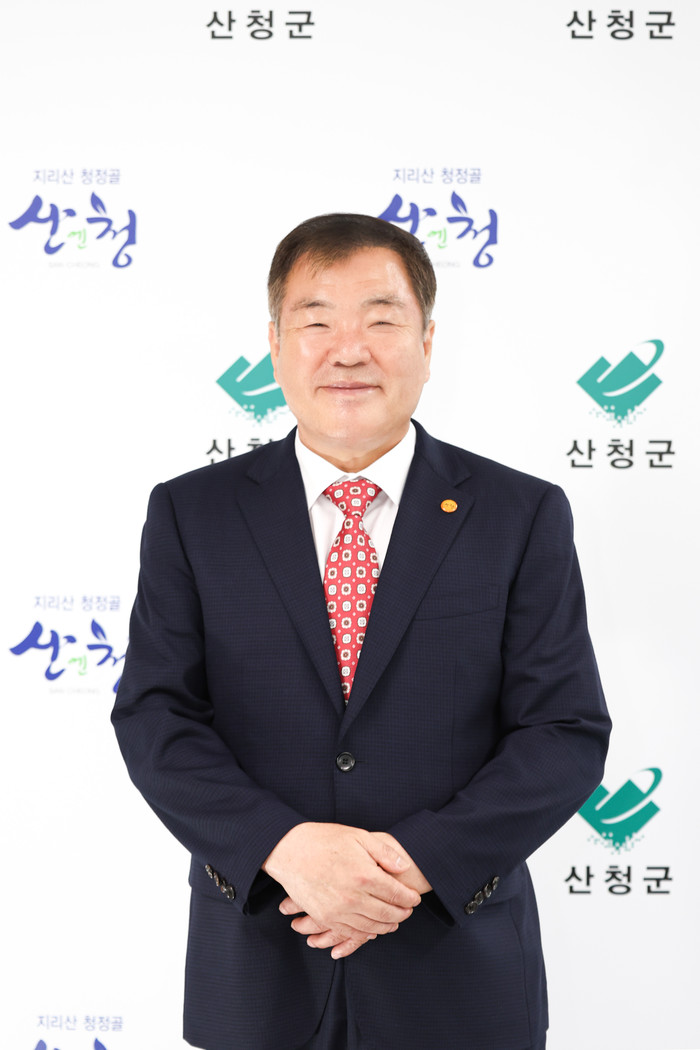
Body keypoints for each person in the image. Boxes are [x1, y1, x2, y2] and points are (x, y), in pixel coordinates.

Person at [112, 213, 611, 1050]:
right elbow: (156, 717)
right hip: (261, 964)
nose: (349, 351)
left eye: (381, 320)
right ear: (275, 344)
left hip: (457, 967)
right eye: (316, 321)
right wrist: (285, 848)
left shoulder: (519, 514)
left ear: (427, 341)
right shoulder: (193, 514)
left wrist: (409, 868)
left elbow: (563, 732)